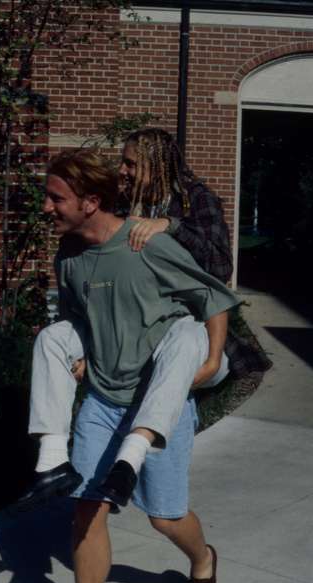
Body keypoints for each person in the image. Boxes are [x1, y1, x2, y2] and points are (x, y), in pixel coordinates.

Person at [24, 149, 239, 583]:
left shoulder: (147, 245)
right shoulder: (70, 255)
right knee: (86, 508)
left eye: (56, 198)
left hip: (157, 402)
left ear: (91, 201)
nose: (47, 208)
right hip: (102, 400)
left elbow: (210, 298)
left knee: (165, 518)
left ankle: (203, 561)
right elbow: (77, 313)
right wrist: (79, 352)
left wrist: (211, 360)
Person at [16, 129, 269, 512]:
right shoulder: (122, 210)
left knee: (184, 334)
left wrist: (172, 226)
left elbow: (217, 273)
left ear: (157, 162)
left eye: (132, 162)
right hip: (133, 334)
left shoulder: (195, 200)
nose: (124, 170)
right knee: (54, 336)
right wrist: (88, 348)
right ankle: (55, 462)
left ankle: (130, 459)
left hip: (188, 332)